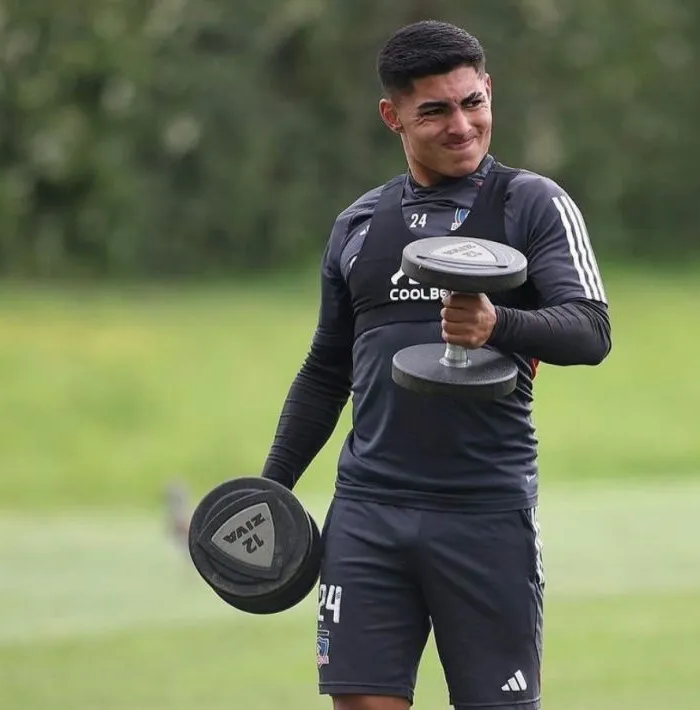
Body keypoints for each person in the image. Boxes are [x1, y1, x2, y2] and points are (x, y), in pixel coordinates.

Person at [259, 20, 612, 710]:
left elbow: (591, 330)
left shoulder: (531, 205)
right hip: (369, 509)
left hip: (485, 510)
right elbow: (328, 371)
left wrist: (499, 323)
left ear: (490, 92)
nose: (462, 125)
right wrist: (271, 491)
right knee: (361, 702)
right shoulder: (358, 226)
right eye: (436, 110)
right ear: (392, 115)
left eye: (472, 101)